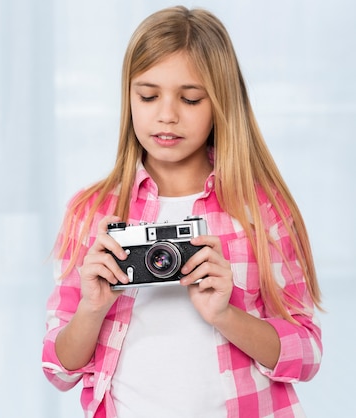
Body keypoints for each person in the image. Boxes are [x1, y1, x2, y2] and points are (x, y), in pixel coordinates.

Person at [42, 6, 322, 418]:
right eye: (148, 95)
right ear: (129, 97)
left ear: (221, 101)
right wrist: (92, 307)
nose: (167, 114)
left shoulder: (261, 210)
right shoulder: (93, 212)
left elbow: (308, 355)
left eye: (190, 98)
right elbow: (59, 370)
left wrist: (225, 315)